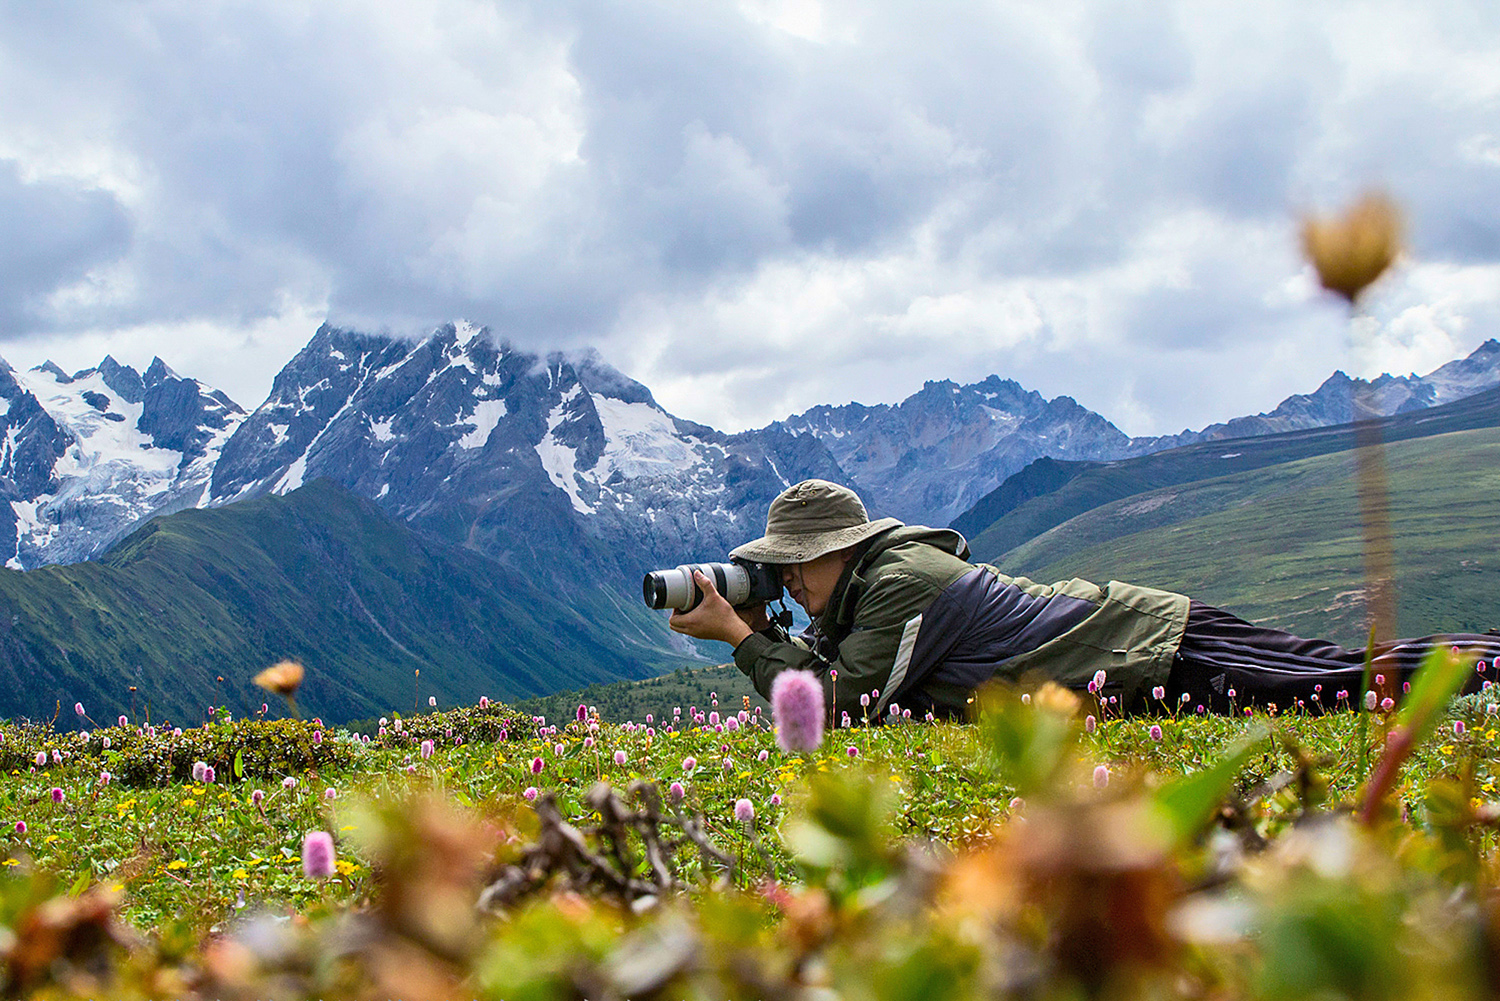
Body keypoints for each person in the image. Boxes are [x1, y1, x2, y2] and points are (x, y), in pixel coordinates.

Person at [668, 479, 1500, 721]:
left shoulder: (898, 581)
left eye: (799, 568)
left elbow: (844, 701)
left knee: (1342, 684)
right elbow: (845, 668)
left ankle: (1488, 661)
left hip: (1149, 648)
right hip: (1142, 639)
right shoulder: (875, 584)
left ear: (839, 552)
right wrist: (772, 622)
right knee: (1336, 675)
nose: (794, 584)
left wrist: (741, 635)